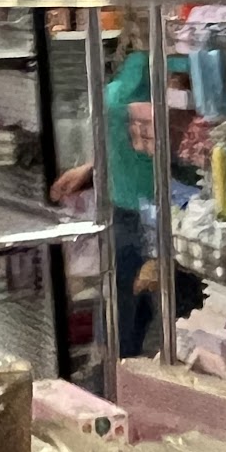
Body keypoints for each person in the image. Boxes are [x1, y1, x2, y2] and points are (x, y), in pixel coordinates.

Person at [50, 18, 158, 358]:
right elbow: (125, 127)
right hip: (127, 201)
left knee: (127, 311)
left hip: (150, 205)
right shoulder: (137, 63)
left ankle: (117, 375)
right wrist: (93, 168)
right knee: (124, 308)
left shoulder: (156, 65)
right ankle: (115, 375)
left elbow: (129, 117)